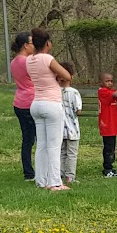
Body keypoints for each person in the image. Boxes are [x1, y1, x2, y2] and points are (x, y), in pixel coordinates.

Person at [26, 28, 73, 191]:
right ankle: (55, 182)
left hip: (36, 104)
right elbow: (67, 76)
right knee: (54, 145)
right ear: (47, 43)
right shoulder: (48, 58)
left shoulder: (29, 60)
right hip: (51, 104)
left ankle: (41, 180)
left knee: (42, 145)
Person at [9, 32, 36, 181]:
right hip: (30, 103)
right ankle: (35, 172)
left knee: (27, 140)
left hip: (19, 102)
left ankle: (28, 173)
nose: (34, 46)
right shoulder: (28, 61)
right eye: (32, 43)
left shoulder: (14, 62)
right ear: (25, 45)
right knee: (39, 139)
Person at [58, 63, 83, 185]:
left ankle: (60, 174)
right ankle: (70, 177)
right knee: (72, 154)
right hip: (73, 129)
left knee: (61, 152)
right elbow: (78, 110)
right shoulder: (74, 92)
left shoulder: (55, 92)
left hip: (59, 129)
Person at [97, 72, 117, 177]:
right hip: (107, 125)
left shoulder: (110, 91)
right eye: (107, 81)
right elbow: (115, 95)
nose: (110, 83)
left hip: (112, 125)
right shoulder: (102, 91)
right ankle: (107, 168)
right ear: (101, 82)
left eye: (111, 81)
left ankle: (110, 166)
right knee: (108, 148)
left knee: (112, 147)